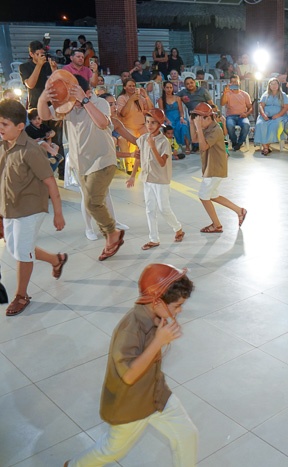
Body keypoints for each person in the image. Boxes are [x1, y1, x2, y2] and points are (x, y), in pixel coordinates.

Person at [64, 264, 197, 466]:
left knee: (187, 434)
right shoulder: (130, 329)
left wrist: (163, 329)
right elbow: (129, 376)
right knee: (112, 450)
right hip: (131, 405)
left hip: (156, 394)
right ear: (157, 302)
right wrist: (158, 342)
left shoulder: (157, 316)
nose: (179, 311)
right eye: (177, 306)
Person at [39, 74, 126, 261]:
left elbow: (102, 123)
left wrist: (85, 101)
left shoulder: (100, 103)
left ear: (87, 92)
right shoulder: (69, 106)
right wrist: (43, 99)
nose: (73, 102)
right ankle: (110, 237)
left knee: (92, 202)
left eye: (75, 96)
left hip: (102, 161)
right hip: (81, 164)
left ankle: (112, 233)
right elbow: (44, 116)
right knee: (93, 203)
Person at [0, 99, 67, 316]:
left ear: (20, 126)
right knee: (15, 248)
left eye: (4, 124)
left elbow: (50, 182)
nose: (0, 128)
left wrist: (58, 214)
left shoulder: (31, 150)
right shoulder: (3, 146)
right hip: (10, 207)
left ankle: (21, 295)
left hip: (31, 209)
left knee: (22, 252)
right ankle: (56, 260)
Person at [126, 109, 185, 250]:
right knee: (150, 210)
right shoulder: (143, 138)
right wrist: (132, 176)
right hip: (147, 179)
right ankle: (154, 239)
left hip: (160, 181)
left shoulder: (164, 142)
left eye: (153, 122)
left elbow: (162, 163)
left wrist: (152, 146)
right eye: (147, 122)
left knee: (164, 209)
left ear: (160, 124)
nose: (149, 125)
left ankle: (178, 228)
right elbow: (138, 157)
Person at [190, 103, 247, 232]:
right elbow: (194, 139)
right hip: (211, 168)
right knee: (213, 196)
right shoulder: (206, 127)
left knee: (203, 196)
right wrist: (193, 124)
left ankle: (217, 225)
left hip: (214, 169)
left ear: (208, 118)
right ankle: (240, 211)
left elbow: (203, 146)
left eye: (199, 118)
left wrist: (198, 127)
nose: (197, 121)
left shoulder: (216, 130)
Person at [254, 77, 288, 156]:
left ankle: (265, 147)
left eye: (275, 84)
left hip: (279, 116)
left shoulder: (283, 95)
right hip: (265, 116)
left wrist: (277, 115)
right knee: (260, 124)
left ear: (278, 85)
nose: (273, 86)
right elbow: (261, 106)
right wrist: (263, 115)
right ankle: (266, 148)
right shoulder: (265, 94)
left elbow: (285, 108)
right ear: (269, 86)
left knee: (274, 125)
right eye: (272, 84)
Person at [20, 41, 58, 109]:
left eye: (43, 54)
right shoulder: (24, 67)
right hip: (35, 105)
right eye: (38, 54)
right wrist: (39, 65)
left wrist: (54, 69)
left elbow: (58, 83)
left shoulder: (48, 65)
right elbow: (30, 85)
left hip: (51, 105)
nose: (42, 56)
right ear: (31, 54)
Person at [220, 74, 252, 152]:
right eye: (232, 82)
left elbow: (250, 107)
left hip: (242, 116)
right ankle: (234, 142)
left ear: (239, 83)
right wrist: (224, 92)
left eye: (235, 82)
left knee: (246, 125)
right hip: (230, 116)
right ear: (230, 83)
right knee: (229, 125)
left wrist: (246, 114)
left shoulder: (244, 94)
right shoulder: (227, 94)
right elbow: (222, 103)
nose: (234, 83)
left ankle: (239, 143)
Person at [159, 81, 190, 155]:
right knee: (169, 127)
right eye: (167, 88)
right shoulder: (161, 100)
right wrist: (167, 120)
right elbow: (162, 113)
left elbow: (181, 111)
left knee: (184, 125)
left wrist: (182, 118)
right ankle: (174, 147)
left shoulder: (177, 98)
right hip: (168, 118)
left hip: (178, 118)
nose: (169, 89)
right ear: (164, 88)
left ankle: (187, 146)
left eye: (170, 87)